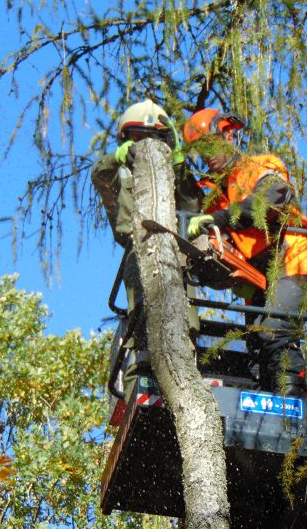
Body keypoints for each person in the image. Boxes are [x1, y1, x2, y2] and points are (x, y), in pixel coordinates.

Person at [182, 108, 307, 396]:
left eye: (211, 144)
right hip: (259, 275)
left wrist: (219, 219)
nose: (207, 155)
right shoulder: (210, 191)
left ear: (228, 134)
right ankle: (268, 399)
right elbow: (185, 197)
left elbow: (272, 199)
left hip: (296, 259)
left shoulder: (259, 167)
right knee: (256, 343)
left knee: (275, 329)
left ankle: (290, 403)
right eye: (201, 150)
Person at [92, 99, 202, 395]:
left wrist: (179, 163)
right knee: (143, 319)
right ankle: (140, 383)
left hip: (174, 252)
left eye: (153, 138)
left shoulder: (171, 171)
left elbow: (193, 205)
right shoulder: (117, 172)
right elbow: (100, 175)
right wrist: (117, 158)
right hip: (138, 250)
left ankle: (184, 377)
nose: (146, 145)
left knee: (185, 320)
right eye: (138, 138)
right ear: (126, 139)